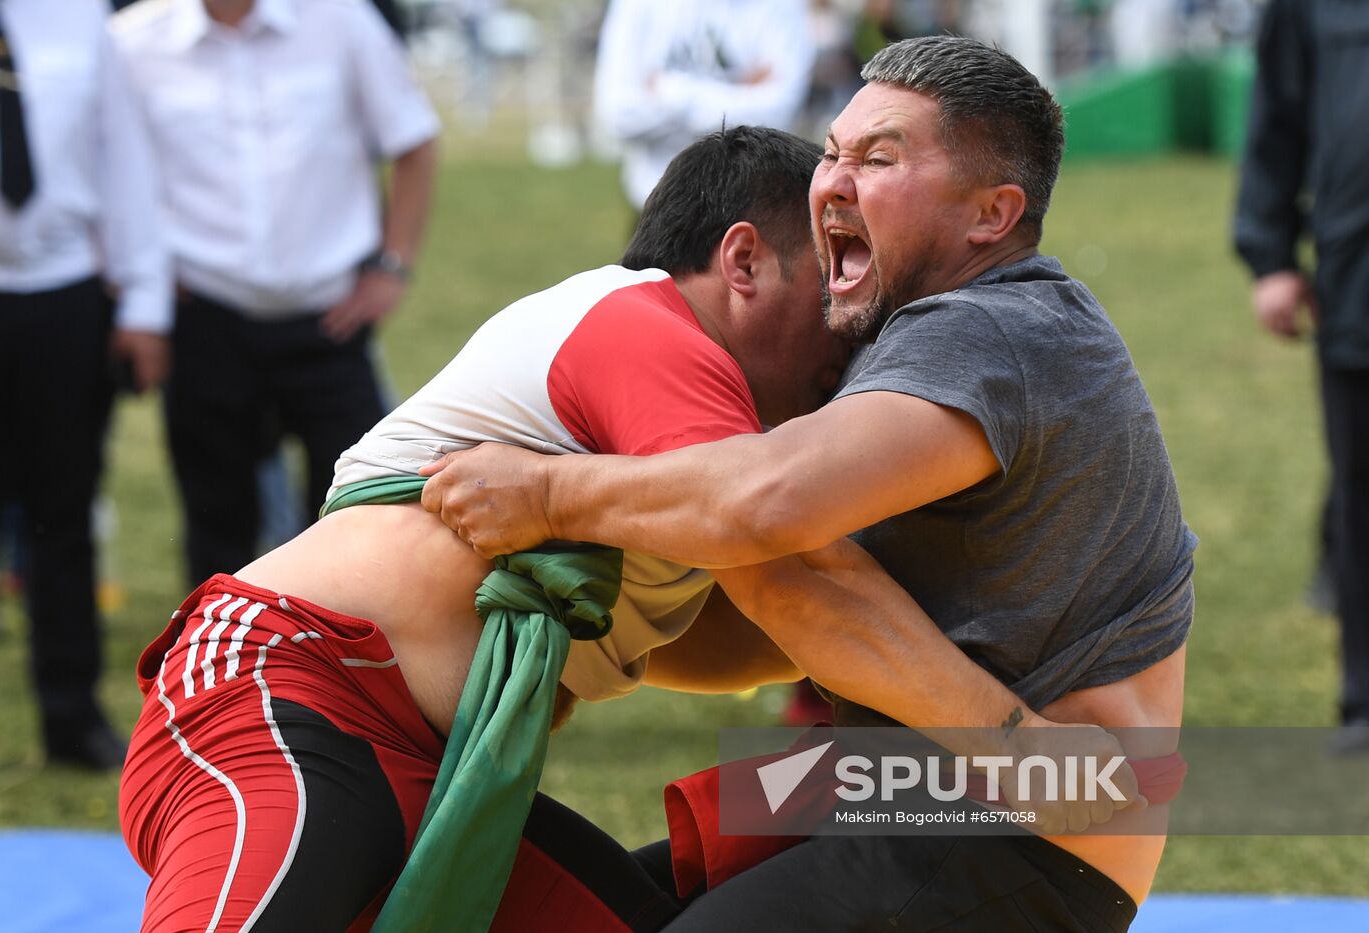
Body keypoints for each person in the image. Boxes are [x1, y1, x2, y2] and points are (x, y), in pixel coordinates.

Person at [119, 124, 1135, 932]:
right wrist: (1017, 748)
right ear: (741, 262)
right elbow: (790, 578)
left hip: (422, 770)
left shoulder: (679, 466)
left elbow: (732, 632)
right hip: (279, 700)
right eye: (829, 273)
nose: (849, 324)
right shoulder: (642, 327)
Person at [426, 36, 1196, 931]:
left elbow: (768, 505)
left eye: (880, 158)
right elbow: (771, 625)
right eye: (832, 151)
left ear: (991, 214)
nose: (833, 180)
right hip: (906, 795)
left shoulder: (990, 326)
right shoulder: (931, 333)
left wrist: (546, 496)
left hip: (1021, 835)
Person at [111, 0, 438, 588]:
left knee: (354, 518)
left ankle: (333, 667)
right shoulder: (134, 40)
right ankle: (215, 669)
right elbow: (108, 168)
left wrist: (392, 266)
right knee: (216, 523)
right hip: (205, 314)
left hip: (329, 318)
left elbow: (412, 139)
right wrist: (143, 278)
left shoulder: (341, 21)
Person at [0, 0, 170, 769]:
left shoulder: (80, 17)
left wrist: (145, 301)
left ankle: (71, 712)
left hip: (63, 294)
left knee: (63, 514)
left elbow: (125, 165)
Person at [1233, 0, 1369, 755]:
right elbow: (1277, 114)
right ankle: (1365, 702)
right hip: (1357, 283)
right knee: (1361, 497)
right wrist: (1272, 254)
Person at [593, 0, 816, 214]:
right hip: (656, 212)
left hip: (749, 208)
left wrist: (671, 90)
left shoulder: (783, 5)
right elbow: (619, 115)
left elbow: (776, 115)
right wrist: (739, 88)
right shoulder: (639, 4)